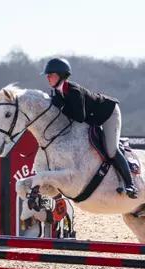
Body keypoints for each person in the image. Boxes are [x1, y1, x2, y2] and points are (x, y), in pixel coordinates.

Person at [41, 57, 138, 199]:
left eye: (51, 74)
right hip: (93, 118)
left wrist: (61, 106)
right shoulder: (57, 92)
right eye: (47, 75)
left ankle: (131, 185)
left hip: (108, 113)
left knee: (111, 151)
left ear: (61, 76)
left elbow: (79, 117)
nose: (48, 78)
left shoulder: (74, 91)